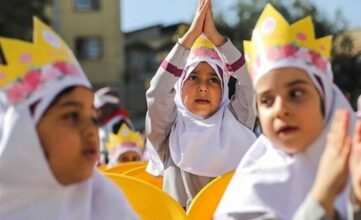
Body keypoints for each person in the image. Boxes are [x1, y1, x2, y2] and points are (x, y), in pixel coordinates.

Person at [215, 4, 361, 219]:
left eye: (296, 94)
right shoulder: (249, 192)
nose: (281, 109)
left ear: (326, 100)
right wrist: (321, 197)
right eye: (267, 100)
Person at [0, 17, 138, 219]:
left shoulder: (105, 203)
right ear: (24, 132)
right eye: (72, 115)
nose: (90, 129)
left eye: (93, 117)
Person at [145, 0, 257, 208]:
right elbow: (157, 93)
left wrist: (218, 40)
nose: (203, 87)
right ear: (179, 85)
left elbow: (250, 83)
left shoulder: (237, 122)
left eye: (214, 79)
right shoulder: (168, 132)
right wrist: (188, 39)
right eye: (193, 77)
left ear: (224, 88)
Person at [94, 86, 134, 165]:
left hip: (116, 171)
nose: (96, 113)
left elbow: (125, 154)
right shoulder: (106, 123)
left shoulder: (120, 122)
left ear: (107, 108)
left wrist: (105, 160)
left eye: (99, 109)